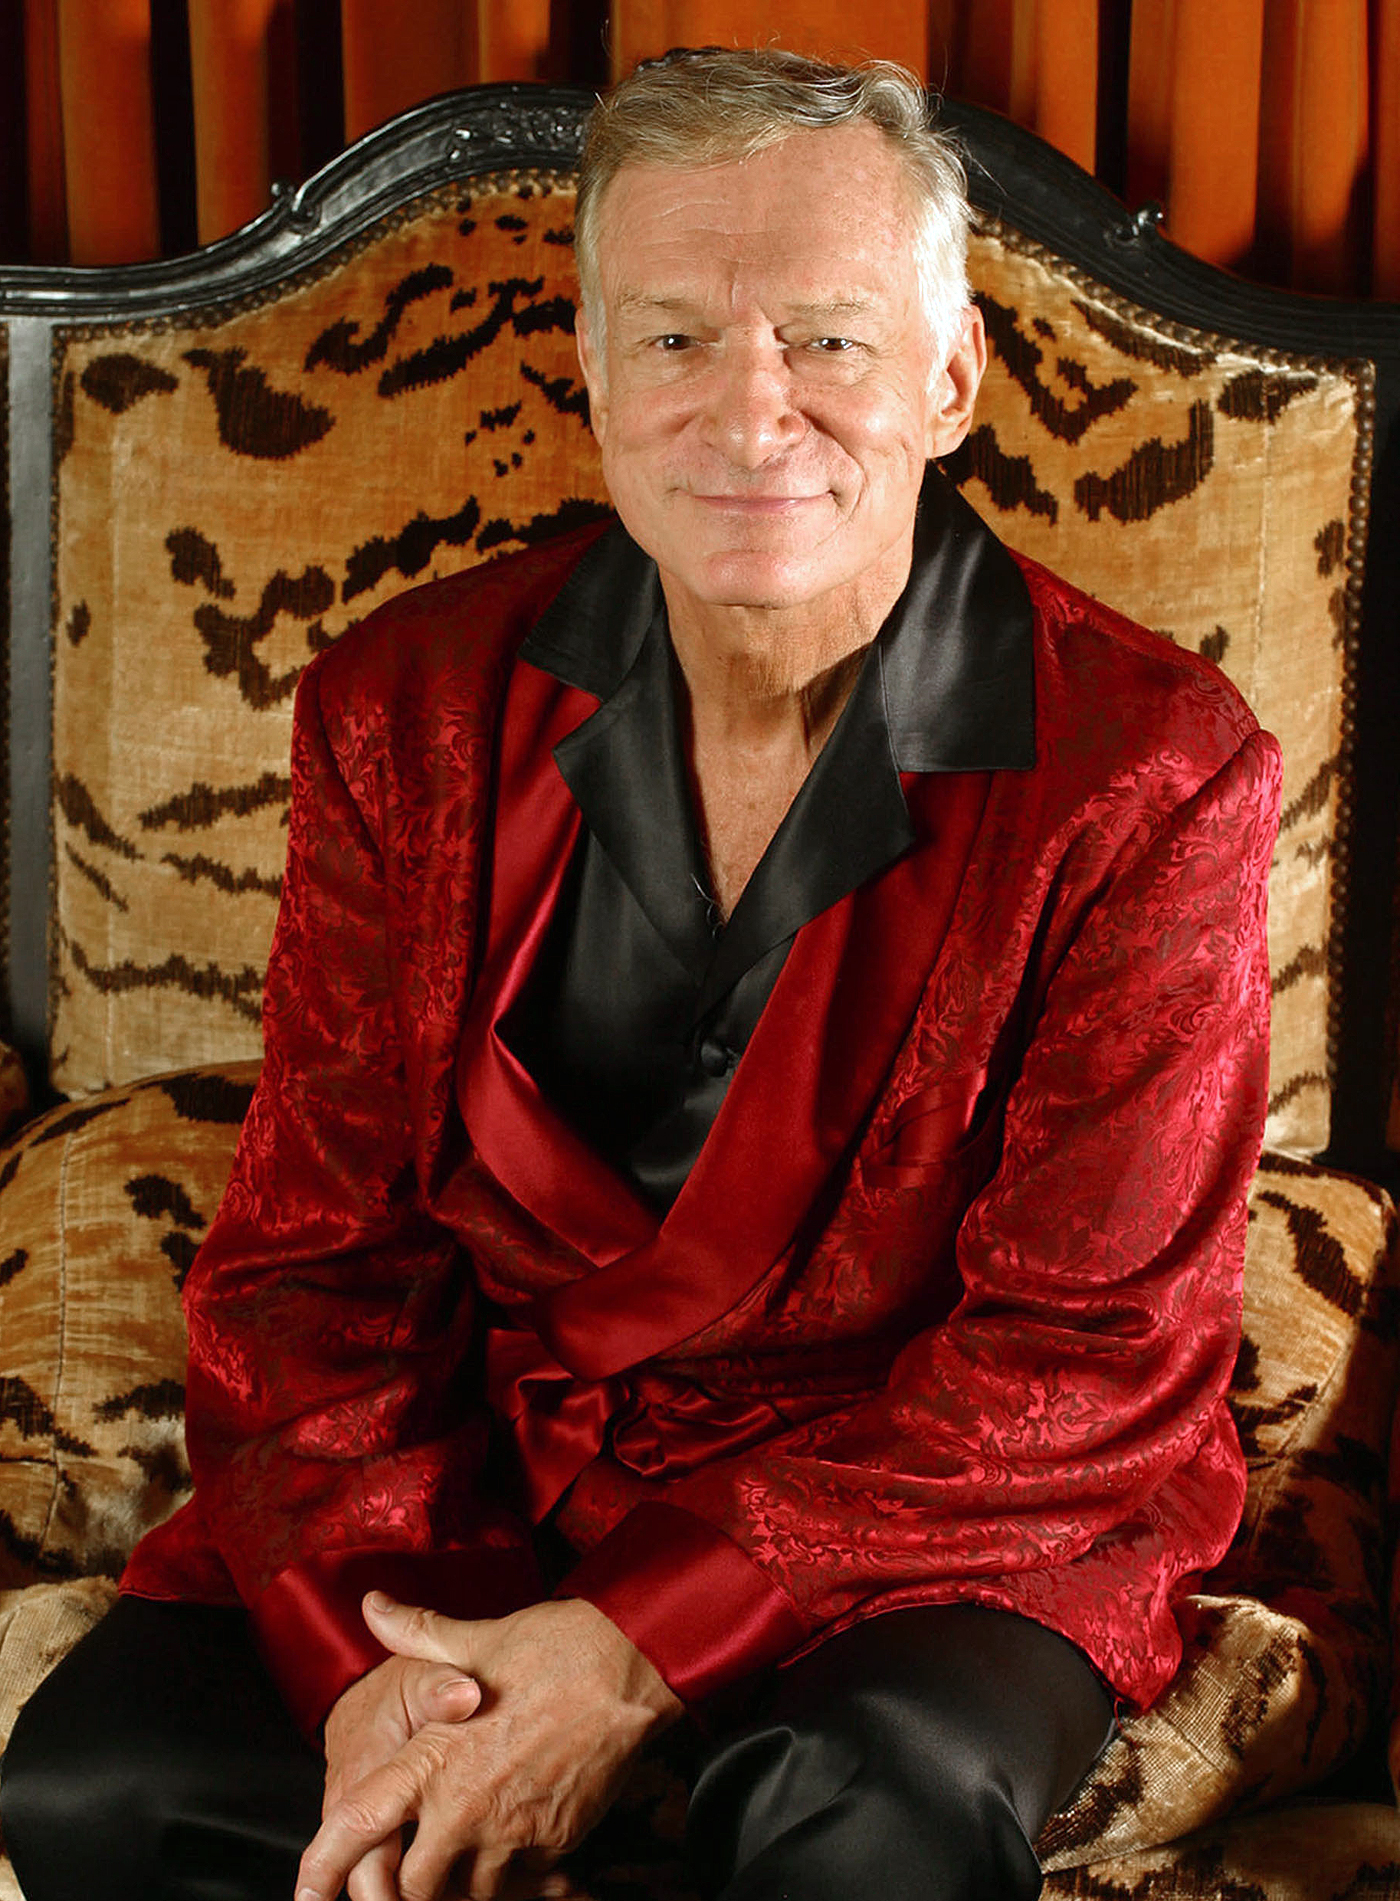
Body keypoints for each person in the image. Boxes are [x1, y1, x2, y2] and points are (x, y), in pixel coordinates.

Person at [0, 45, 1281, 1901]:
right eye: (675, 338)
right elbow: (313, 1260)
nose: (751, 412)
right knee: (104, 1781)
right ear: (592, 373)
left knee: (853, 1815)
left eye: (827, 339)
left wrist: (632, 1647)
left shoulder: (1155, 769)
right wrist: (386, 1673)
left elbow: (1082, 1363)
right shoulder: (404, 707)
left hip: (929, 1518)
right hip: (490, 1473)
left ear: (950, 377)